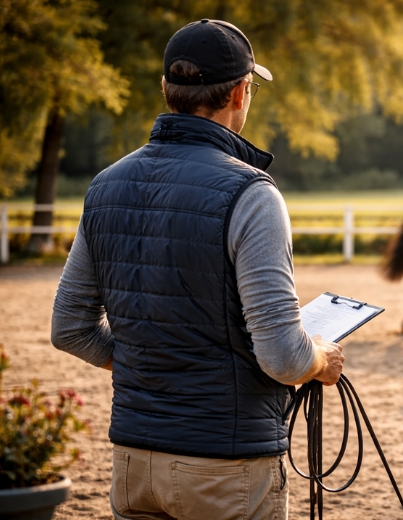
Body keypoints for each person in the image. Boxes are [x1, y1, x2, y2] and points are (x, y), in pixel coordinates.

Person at [50, 19, 344, 520]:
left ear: (167, 90)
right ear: (239, 92)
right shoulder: (252, 194)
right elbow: (281, 359)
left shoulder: (104, 185)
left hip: (133, 463)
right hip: (227, 467)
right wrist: (321, 359)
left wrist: (146, 364)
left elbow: (69, 329)